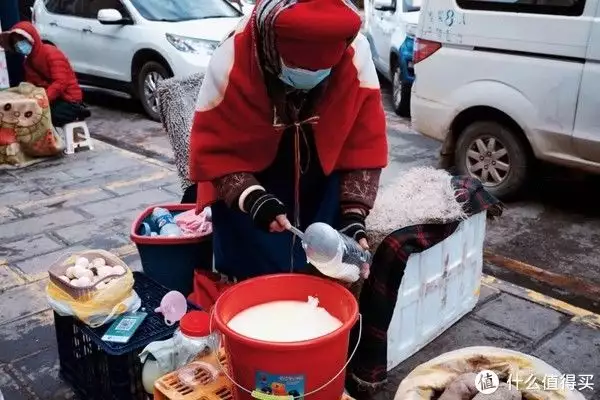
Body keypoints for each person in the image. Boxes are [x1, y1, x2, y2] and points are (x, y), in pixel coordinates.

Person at [189, 0, 388, 281]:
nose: (309, 79)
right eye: (296, 68)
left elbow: (363, 141)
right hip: (253, 181)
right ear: (272, 48)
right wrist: (253, 199)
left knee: (321, 270)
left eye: (321, 71)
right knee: (254, 277)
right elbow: (213, 151)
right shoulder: (233, 56)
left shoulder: (356, 53)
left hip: (320, 172)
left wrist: (354, 216)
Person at [1, 21, 89, 127]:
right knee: (23, 113)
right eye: (15, 43)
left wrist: (42, 100)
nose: (19, 45)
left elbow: (61, 82)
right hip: (51, 100)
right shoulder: (27, 63)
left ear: (31, 38)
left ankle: (78, 113)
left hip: (69, 101)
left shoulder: (51, 52)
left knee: (39, 116)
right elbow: (31, 86)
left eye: (21, 41)